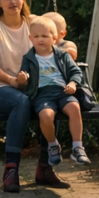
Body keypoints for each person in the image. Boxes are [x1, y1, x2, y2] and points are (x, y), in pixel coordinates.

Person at [0, 0, 68, 193]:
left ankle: (44, 168)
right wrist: (12, 81)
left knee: (49, 101)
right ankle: (11, 170)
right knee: (20, 102)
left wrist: (69, 48)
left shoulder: (34, 22)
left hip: (31, 87)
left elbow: (57, 43)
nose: (12, 1)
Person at [21, 16, 90, 167]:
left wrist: (72, 83)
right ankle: (53, 145)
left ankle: (77, 147)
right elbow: (23, 76)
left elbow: (76, 72)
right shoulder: (28, 57)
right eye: (36, 36)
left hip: (63, 91)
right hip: (42, 94)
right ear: (30, 38)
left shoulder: (62, 55)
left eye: (45, 36)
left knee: (74, 108)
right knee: (45, 116)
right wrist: (22, 78)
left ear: (54, 38)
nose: (40, 39)